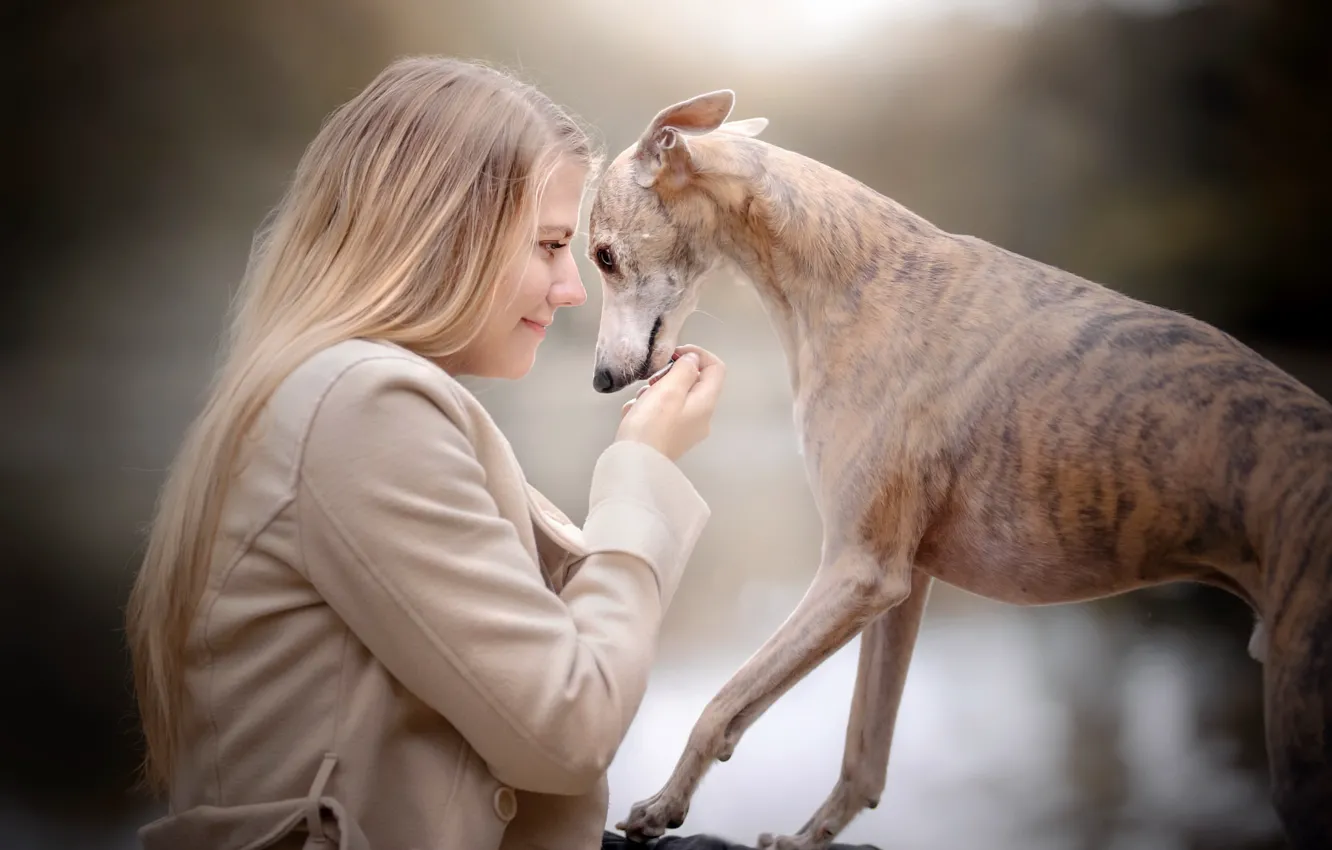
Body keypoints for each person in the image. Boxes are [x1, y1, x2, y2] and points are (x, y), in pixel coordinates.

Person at [125, 55, 876, 850]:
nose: (571, 288)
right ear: (441, 236)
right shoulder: (360, 403)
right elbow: (569, 727)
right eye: (550, 245)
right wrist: (644, 470)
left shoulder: (334, 390)